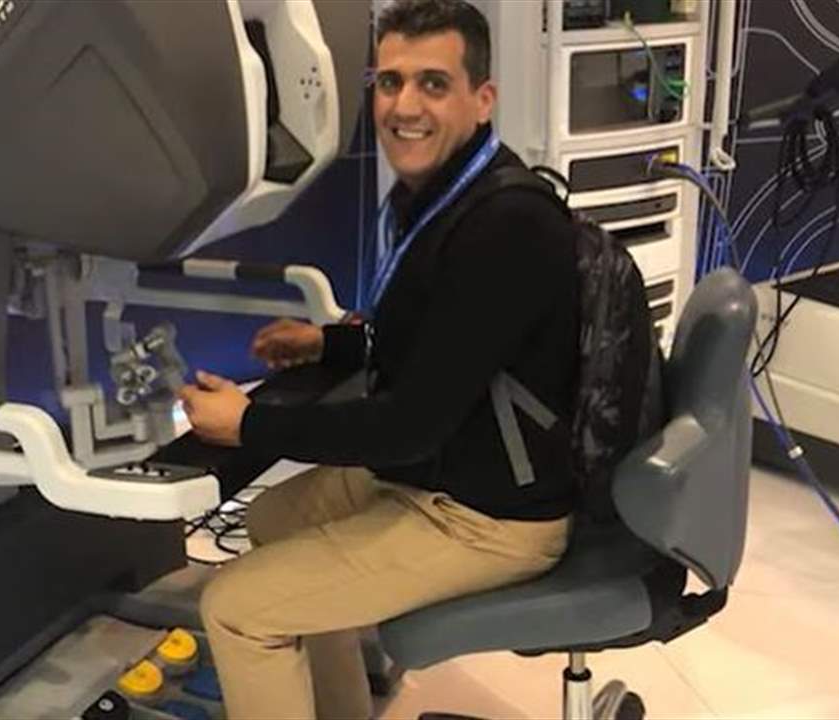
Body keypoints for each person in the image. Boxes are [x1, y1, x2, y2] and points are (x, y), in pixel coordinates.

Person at [178, 1, 580, 717]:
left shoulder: (505, 224)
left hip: (488, 517)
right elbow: (446, 347)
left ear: (482, 99)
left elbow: (407, 427)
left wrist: (248, 425)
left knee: (236, 609)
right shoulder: (442, 198)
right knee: (271, 521)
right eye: (390, 82)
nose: (405, 106)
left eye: (433, 84)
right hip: (444, 471)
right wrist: (330, 343)